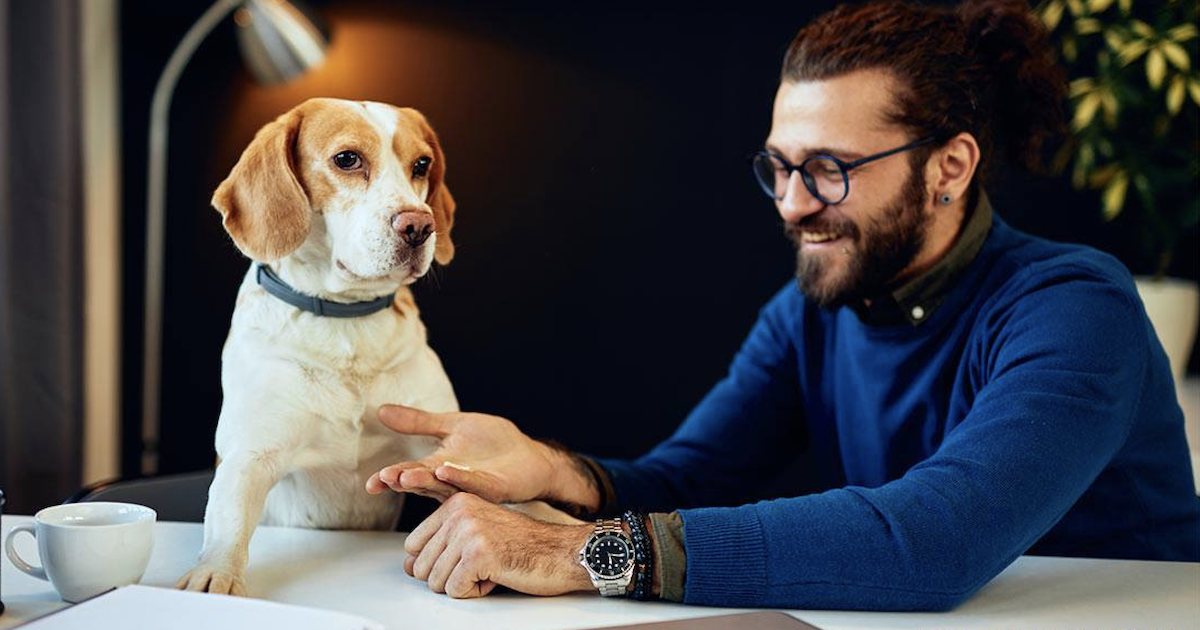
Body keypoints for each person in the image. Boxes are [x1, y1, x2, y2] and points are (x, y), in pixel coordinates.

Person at [363, 0, 1200, 611]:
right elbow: (687, 479)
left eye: (830, 167)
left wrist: (578, 552)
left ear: (949, 167)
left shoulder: (1077, 307)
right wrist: (554, 470)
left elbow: (938, 540)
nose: (793, 204)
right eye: (780, 166)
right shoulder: (812, 309)